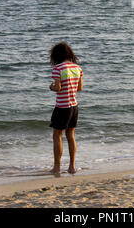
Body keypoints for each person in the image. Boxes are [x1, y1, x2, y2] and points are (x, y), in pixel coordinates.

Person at [49, 42, 83, 175]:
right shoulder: (77, 68)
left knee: (57, 136)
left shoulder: (58, 68)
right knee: (71, 135)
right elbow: (79, 88)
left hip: (62, 106)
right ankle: (72, 166)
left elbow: (58, 88)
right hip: (74, 106)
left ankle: (57, 167)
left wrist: (51, 87)